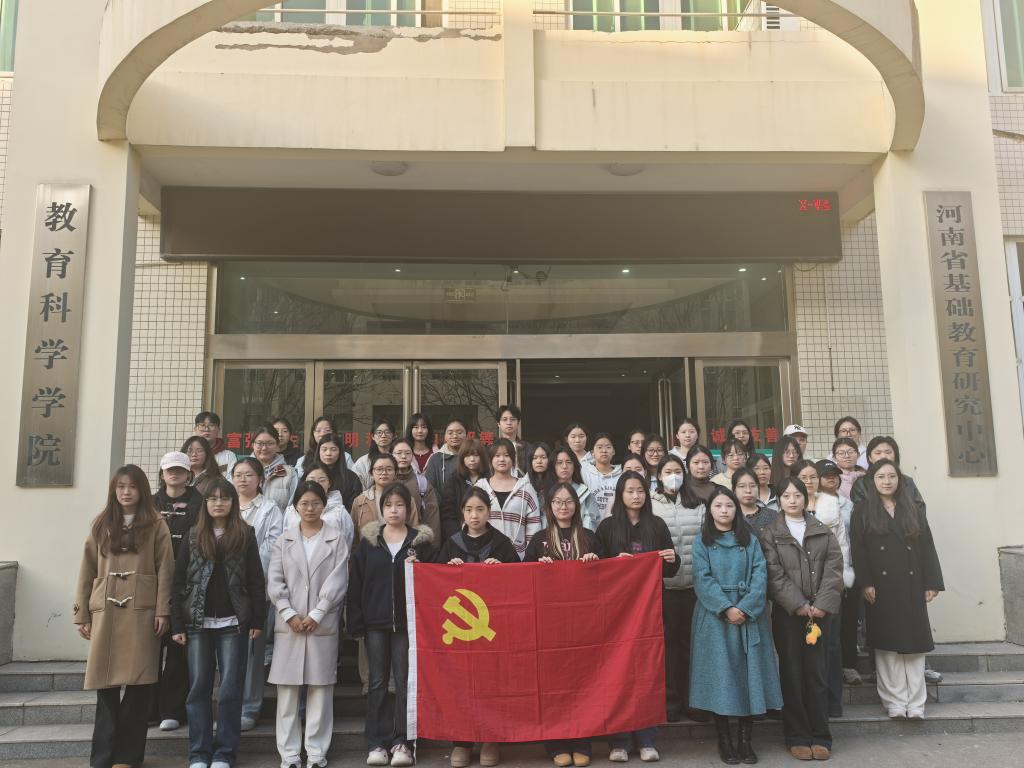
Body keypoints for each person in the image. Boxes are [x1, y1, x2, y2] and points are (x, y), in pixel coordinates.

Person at [74, 465, 174, 768]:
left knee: (138, 688)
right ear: (113, 490)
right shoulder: (101, 523)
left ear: (142, 490)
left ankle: (127, 757)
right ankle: (102, 757)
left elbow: (166, 569)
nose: (126, 492)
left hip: (142, 613)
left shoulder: (156, 524)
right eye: (120, 487)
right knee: (105, 690)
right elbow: (87, 569)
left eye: (132, 486)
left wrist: (163, 609)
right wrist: (81, 613)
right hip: (106, 613)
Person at [171, 478, 266, 768]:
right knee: (199, 688)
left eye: (225, 498)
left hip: (233, 624)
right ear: (205, 504)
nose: (218, 503)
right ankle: (199, 753)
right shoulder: (192, 535)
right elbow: (178, 581)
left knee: (230, 690)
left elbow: (255, 579)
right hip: (197, 625)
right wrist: (177, 624)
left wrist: (258, 619)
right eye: (212, 499)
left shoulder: (245, 534)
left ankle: (224, 753)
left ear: (233, 503)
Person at [689, 486, 783, 766]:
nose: (724, 510)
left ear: (736, 510)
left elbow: (760, 574)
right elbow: (702, 578)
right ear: (710, 510)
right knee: (721, 678)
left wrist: (745, 607)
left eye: (729, 506)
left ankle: (745, 741)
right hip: (715, 616)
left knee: (749, 676)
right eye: (718, 506)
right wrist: (726, 608)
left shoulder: (750, 540)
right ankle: (724, 740)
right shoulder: (702, 541)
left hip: (749, 614)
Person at [349, 483, 435, 768]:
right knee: (377, 683)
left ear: (409, 509)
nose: (394, 510)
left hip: (408, 625)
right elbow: (356, 583)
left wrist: (420, 567)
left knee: (404, 682)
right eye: (388, 505)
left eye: (399, 505)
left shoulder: (420, 543)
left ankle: (403, 742)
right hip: (375, 623)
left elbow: (437, 581)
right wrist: (356, 622)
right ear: (381, 508)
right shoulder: (369, 542)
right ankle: (376, 742)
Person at [596, 471, 680, 763]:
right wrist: (613, 564)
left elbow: (671, 570)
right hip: (616, 612)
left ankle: (646, 739)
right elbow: (595, 571)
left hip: (650, 610)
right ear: (620, 495)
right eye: (630, 490)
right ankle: (618, 741)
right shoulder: (607, 527)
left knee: (647, 673)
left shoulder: (656, 525)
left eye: (640, 490)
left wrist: (672, 559)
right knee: (617, 674)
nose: (636, 496)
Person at [850, 460, 943, 720]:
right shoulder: (862, 511)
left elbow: (927, 546)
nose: (887, 481)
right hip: (880, 587)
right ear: (872, 481)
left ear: (899, 480)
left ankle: (916, 702)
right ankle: (894, 701)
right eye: (881, 476)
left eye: (892, 476)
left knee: (914, 645)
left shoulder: (911, 507)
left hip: (912, 584)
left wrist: (931, 582)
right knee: (887, 647)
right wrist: (866, 583)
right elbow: (859, 551)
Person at [759, 477, 844, 762]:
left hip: (819, 614)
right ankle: (797, 736)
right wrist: (798, 604)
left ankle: (821, 735)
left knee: (817, 674)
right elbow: (773, 574)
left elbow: (834, 569)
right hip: (788, 614)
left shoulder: (822, 530)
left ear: (805, 498)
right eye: (786, 496)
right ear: (779, 500)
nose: (792, 500)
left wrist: (820, 605)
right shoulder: (770, 534)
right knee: (792, 674)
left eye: (797, 495)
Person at [268, 482, 351, 768]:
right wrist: (287, 612)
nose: (310, 508)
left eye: (316, 503)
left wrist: (318, 613)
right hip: (289, 625)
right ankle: (289, 755)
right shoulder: (284, 540)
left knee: (320, 692)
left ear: (324, 505)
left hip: (321, 624)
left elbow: (338, 580)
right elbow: (274, 579)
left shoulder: (336, 539)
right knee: (287, 695)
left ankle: (316, 753)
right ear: (295, 507)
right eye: (304, 503)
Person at [524, 483, 604, 768]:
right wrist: (538, 566)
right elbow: (523, 578)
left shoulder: (590, 537)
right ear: (549, 507)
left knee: (584, 682)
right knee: (553, 684)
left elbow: (608, 578)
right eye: (557, 501)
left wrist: (596, 562)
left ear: (576, 505)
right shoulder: (540, 539)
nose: (563, 506)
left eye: (568, 501)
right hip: (550, 625)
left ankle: (582, 741)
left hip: (584, 624)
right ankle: (556, 743)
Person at [439, 488, 520, 768]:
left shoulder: (501, 543)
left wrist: (503, 569)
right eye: (469, 510)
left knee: (490, 683)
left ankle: (490, 739)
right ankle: (462, 741)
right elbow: (434, 584)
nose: (474, 515)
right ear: (462, 512)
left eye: (480, 509)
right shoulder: (451, 544)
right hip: (460, 630)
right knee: (460, 684)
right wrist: (447, 569)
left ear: (489, 511)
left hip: (492, 628)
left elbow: (520, 581)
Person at [795, 461, 855, 718]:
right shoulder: (788, 506)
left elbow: (842, 548)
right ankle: (806, 703)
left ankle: (832, 702)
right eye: (803, 477)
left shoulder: (831, 506)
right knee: (803, 648)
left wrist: (838, 581)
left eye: (812, 477)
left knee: (831, 645)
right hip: (799, 591)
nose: (808, 482)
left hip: (829, 586)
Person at [230, 457, 285, 731]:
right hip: (223, 590)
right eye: (238, 474)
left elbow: (272, 547)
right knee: (227, 651)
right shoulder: (225, 506)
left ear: (260, 479)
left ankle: (250, 707)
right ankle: (229, 704)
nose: (243, 479)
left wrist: (242, 569)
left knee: (253, 652)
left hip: (254, 588)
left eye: (249, 474)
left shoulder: (270, 509)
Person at [151, 451, 202, 732]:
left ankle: (172, 709)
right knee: (149, 649)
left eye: (180, 470)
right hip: (153, 583)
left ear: (188, 474)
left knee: (178, 648)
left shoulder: (200, 503)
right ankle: (149, 709)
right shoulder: (150, 503)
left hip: (186, 582)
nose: (174, 474)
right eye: (169, 470)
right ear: (162, 473)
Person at [650, 455, 703, 723]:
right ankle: (670, 701)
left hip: (694, 587)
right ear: (659, 475)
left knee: (691, 646)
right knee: (668, 646)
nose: (673, 476)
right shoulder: (650, 504)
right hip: (665, 587)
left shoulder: (698, 504)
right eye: (668, 471)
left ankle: (693, 701)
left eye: (677, 471)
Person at [816, 459, 861, 687]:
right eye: (826, 475)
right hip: (824, 573)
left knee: (848, 620)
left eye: (835, 475)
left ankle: (849, 665)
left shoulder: (848, 504)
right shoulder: (813, 503)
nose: (831, 479)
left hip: (848, 567)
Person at [476, 438, 542, 559]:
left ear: (513, 459)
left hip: (517, 559)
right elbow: (470, 521)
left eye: (506, 455)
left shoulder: (526, 488)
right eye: (497, 456)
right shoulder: (480, 487)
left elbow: (534, 526)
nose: (502, 459)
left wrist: (529, 556)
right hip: (484, 557)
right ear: (490, 459)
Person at [351, 454, 427, 538]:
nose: (384, 473)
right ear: (371, 473)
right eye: (379, 469)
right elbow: (354, 536)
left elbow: (414, 529)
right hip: (369, 546)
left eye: (389, 469)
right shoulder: (360, 501)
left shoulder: (407, 499)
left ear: (395, 473)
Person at [849, 436, 927, 514]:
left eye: (888, 452)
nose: (883, 456)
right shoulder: (861, 484)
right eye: (878, 453)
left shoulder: (907, 481)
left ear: (895, 456)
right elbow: (860, 514)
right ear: (870, 458)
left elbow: (920, 509)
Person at [284, 464, 354, 544]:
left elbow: (347, 541)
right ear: (305, 481)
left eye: (322, 480)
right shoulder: (291, 511)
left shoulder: (340, 512)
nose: (317, 484)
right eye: (312, 480)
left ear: (329, 483)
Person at [393, 438, 442, 543]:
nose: (403, 456)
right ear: (391, 455)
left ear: (412, 456)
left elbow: (432, 518)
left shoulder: (422, 483)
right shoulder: (385, 481)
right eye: (399, 453)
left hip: (416, 541)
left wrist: (432, 545)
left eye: (407, 453)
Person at [440, 438, 490, 539]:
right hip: (459, 535)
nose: (472, 459)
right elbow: (447, 515)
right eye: (467, 456)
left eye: (476, 455)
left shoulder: (490, 479)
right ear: (462, 458)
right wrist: (458, 537)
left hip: (487, 534)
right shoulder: (453, 480)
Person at [251, 424, 298, 513]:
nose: (264, 448)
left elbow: (293, 509)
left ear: (277, 445)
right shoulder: (241, 471)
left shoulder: (289, 474)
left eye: (270, 443)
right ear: (253, 445)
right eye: (260, 443)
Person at [551, 446, 599, 532]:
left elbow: (592, 520)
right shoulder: (546, 492)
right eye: (559, 462)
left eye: (569, 462)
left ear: (574, 465)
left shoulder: (585, 492)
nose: (564, 466)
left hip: (580, 538)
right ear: (553, 466)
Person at [311, 432, 363, 512]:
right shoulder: (310, 475)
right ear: (318, 451)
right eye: (324, 449)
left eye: (333, 449)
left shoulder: (351, 478)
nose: (328, 453)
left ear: (340, 452)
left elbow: (354, 508)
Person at [582, 433, 622, 522]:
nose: (604, 450)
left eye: (608, 447)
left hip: (616, 524)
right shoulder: (584, 473)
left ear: (614, 451)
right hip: (590, 526)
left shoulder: (622, 474)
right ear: (592, 453)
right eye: (599, 447)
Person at [424, 418, 468, 496]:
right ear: (445, 436)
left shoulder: (474, 458)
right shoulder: (435, 459)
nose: (455, 436)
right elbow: (430, 488)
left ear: (466, 435)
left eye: (459, 432)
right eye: (450, 433)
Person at [353, 419, 398, 491]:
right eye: (379, 432)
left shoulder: (399, 459)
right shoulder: (363, 462)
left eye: (387, 432)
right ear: (373, 436)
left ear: (393, 435)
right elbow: (356, 485)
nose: (383, 436)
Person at [732, 466, 777, 534]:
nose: (748, 490)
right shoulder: (729, 516)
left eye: (752, 486)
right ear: (734, 490)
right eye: (742, 486)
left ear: (758, 488)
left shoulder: (773, 515)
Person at [194, 411, 237, 476]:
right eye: (202, 425)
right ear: (195, 429)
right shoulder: (188, 455)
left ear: (218, 429)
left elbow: (231, 480)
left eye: (211, 425)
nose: (206, 429)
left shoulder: (228, 456)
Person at [496, 404, 530, 476]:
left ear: (518, 423)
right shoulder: (492, 448)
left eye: (512, 419)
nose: (509, 423)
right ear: (498, 424)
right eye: (504, 419)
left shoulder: (528, 448)